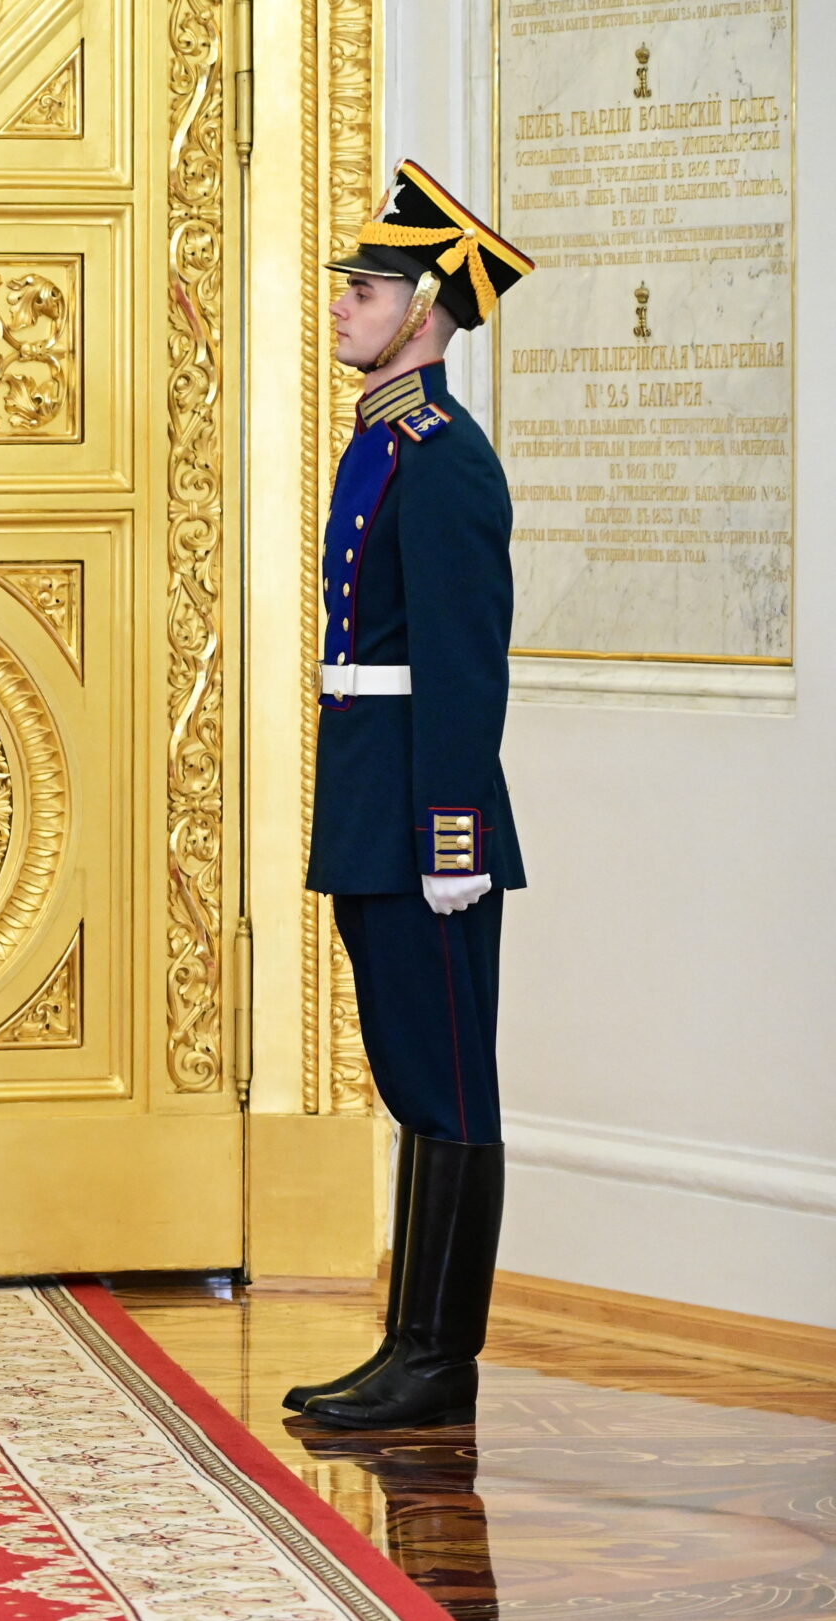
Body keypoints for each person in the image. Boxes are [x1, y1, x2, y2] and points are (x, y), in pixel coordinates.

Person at [287, 160, 534, 1430]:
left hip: (423, 819)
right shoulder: (384, 438)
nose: (343, 303)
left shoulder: (442, 461)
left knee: (445, 1084)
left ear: (425, 311)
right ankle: (408, 1346)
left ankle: (439, 1361)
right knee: (409, 1073)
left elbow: (459, 667)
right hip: (373, 801)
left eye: (368, 288)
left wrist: (454, 835)